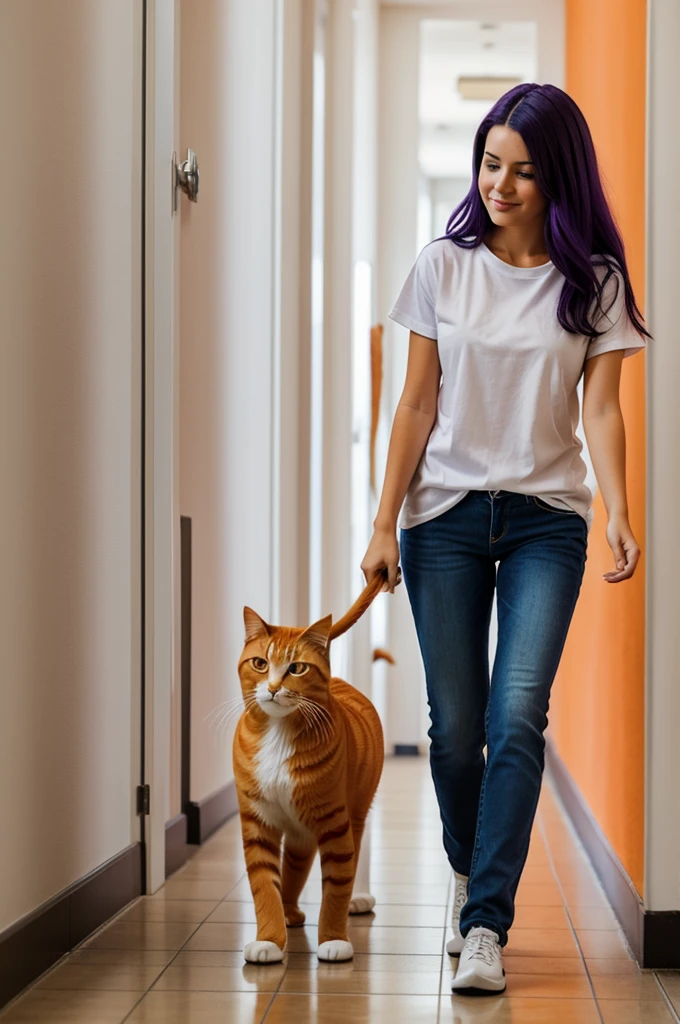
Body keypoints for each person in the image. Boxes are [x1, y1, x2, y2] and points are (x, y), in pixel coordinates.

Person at [360, 82, 650, 995]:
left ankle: (485, 920)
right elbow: (414, 404)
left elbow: (601, 409)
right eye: (492, 164)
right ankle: (468, 866)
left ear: (557, 177)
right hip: (441, 518)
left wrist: (621, 511)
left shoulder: (593, 279)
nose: (502, 184)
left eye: (524, 171)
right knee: (455, 734)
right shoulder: (442, 267)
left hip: (546, 522)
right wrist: (380, 524)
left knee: (517, 715)